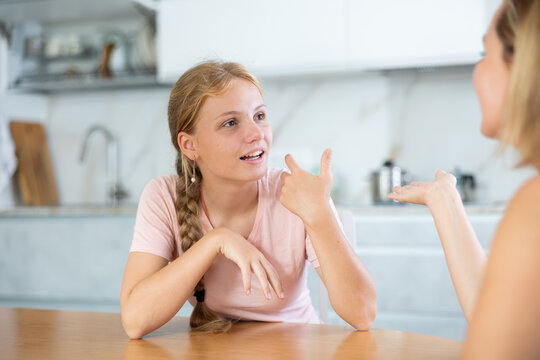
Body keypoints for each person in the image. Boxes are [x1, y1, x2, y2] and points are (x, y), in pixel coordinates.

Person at [120, 61, 376, 338]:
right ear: (189, 145)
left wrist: (320, 214)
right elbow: (135, 320)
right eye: (230, 123)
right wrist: (216, 241)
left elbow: (362, 314)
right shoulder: (165, 196)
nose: (256, 134)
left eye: (260, 116)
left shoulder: (294, 193)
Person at [388, 0, 540, 358]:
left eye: (484, 53)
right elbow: (505, 325)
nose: (478, 70)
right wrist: (444, 199)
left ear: (522, 66)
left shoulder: (533, 205)